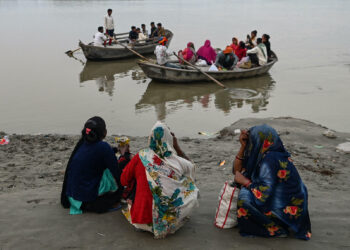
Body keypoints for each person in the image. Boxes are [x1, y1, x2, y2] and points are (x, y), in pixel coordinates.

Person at [120, 121, 199, 238]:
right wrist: (177, 147)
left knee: (139, 177)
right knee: (190, 185)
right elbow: (192, 168)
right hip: (166, 223)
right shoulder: (176, 161)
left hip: (139, 221)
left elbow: (123, 180)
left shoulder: (141, 155)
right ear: (169, 139)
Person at [233, 125, 312, 240]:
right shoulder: (262, 154)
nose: (251, 143)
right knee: (245, 187)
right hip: (280, 199)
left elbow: (263, 195)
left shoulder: (270, 160)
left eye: (252, 140)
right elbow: (236, 171)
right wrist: (243, 147)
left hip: (287, 206)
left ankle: (277, 230)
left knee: (244, 199)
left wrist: (245, 182)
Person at [60, 117, 123, 214]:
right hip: (85, 197)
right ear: (104, 133)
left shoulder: (81, 143)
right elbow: (116, 172)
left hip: (72, 196)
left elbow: (93, 153)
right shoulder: (103, 147)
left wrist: (112, 151)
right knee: (112, 179)